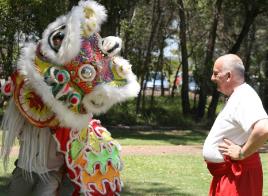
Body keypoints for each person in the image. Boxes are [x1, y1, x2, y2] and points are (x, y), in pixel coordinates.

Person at [202, 54, 268, 196]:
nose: (212, 78)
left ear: (228, 76)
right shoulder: (237, 95)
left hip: (238, 176)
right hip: (228, 175)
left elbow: (264, 128)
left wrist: (242, 152)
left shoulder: (244, 96)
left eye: (215, 73)